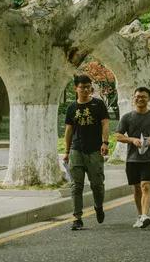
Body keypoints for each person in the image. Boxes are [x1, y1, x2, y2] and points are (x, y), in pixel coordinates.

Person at [115, 86, 150, 228]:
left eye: (143, 96)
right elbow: (118, 136)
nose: (140, 99)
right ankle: (140, 215)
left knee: (145, 186)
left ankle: (145, 215)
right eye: (137, 96)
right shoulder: (127, 117)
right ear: (134, 98)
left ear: (148, 99)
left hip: (149, 158)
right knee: (137, 188)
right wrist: (132, 140)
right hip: (132, 159)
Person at [63, 74, 110, 231]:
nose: (85, 90)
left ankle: (98, 206)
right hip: (77, 150)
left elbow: (105, 124)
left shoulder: (98, 105)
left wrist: (105, 142)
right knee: (76, 185)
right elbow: (69, 131)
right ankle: (77, 218)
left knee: (97, 184)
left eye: (88, 87)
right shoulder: (71, 108)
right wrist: (66, 151)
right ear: (76, 88)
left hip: (95, 150)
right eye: (82, 87)